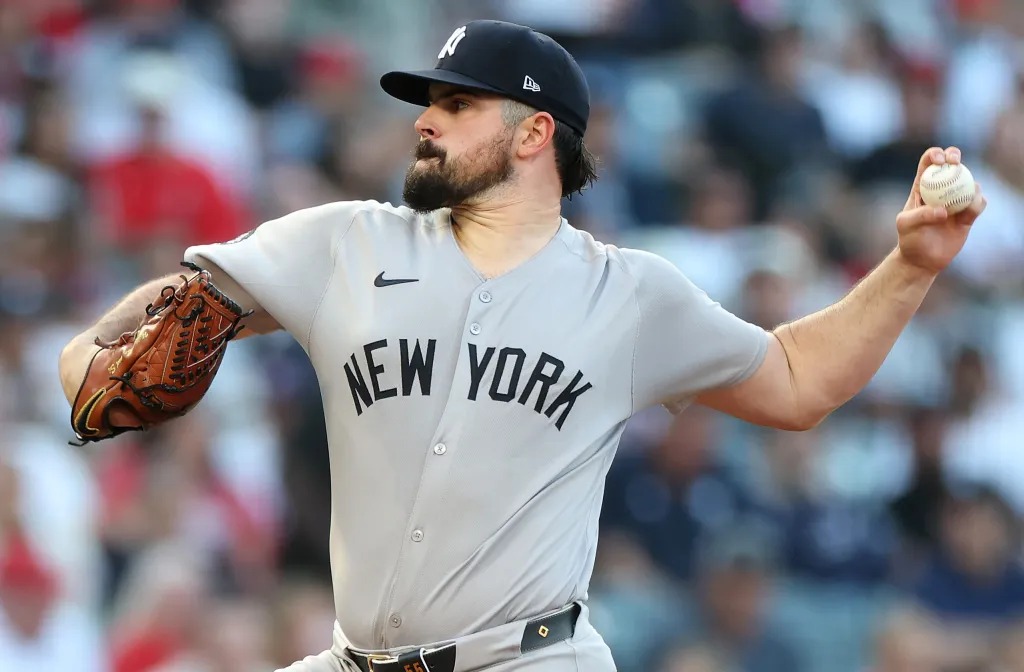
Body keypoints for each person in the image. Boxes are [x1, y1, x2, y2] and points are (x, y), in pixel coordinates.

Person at [57, 19, 987, 672]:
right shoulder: (343, 242)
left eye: (457, 106)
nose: (425, 119)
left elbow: (795, 381)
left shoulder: (629, 294)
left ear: (536, 133)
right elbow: (177, 307)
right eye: (428, 103)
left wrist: (910, 268)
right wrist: (90, 352)